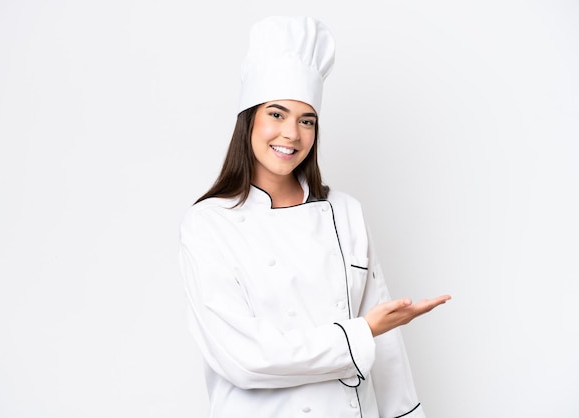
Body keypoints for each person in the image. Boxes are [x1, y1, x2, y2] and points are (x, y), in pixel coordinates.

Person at [178, 15, 451, 418]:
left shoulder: (346, 212)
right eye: (276, 114)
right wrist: (361, 334)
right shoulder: (208, 225)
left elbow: (388, 350)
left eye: (307, 120)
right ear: (249, 118)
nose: (292, 133)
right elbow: (246, 359)